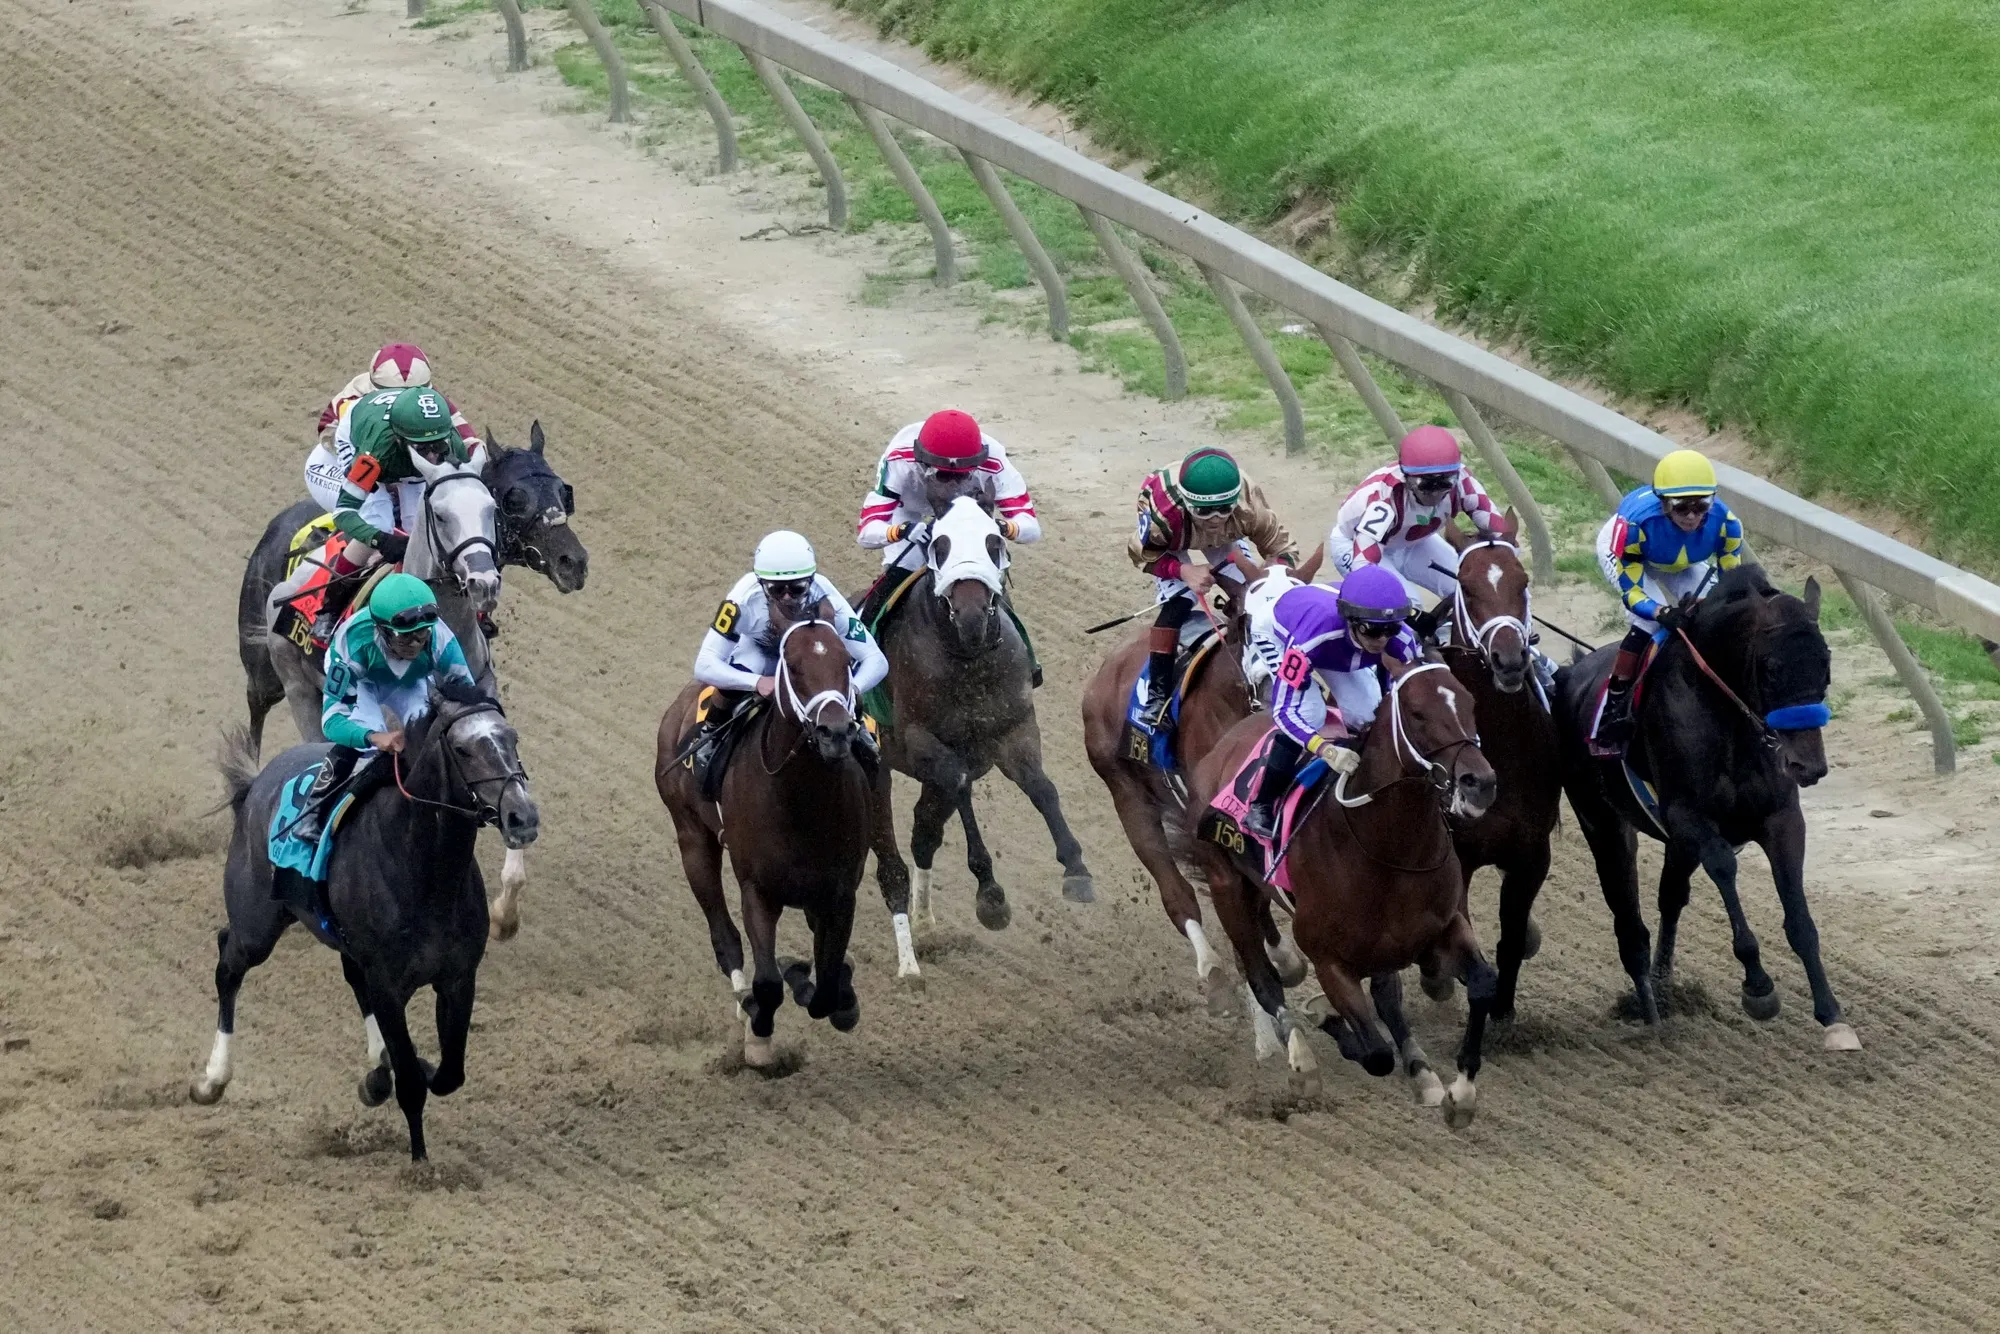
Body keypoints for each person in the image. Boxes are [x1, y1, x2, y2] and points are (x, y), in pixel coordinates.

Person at [290, 572, 479, 848]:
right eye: (406, 638)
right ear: (381, 629)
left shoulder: (439, 637)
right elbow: (332, 723)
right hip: (364, 683)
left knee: (429, 733)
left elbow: (467, 696)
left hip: (411, 682)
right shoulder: (352, 643)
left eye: (422, 635)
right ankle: (314, 809)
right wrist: (376, 738)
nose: (416, 644)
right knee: (368, 741)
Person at [1243, 565, 1422, 841]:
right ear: (1351, 620)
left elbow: (1409, 683)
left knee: (1369, 714)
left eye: (1392, 629)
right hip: (1279, 633)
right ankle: (1262, 803)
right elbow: (1284, 712)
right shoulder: (1309, 642)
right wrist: (1326, 750)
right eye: (1373, 631)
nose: (1383, 640)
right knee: (1308, 712)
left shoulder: (1402, 639)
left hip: (1341, 646)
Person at [689, 530, 889, 765]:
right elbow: (704, 665)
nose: (786, 597)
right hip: (759, 654)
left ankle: (857, 722)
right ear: (761, 583)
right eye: (776, 589)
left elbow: (876, 660)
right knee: (733, 682)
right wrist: (756, 682)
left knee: (836, 674)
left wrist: (851, 690)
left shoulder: (828, 599)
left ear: (811, 581)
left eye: (797, 588)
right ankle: (713, 731)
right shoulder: (740, 602)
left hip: (808, 656)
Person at [1590, 448, 1744, 751]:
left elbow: (1732, 586)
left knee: (1715, 613)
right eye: (1682, 507)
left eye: (1701, 506)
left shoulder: (1728, 524)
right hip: (1627, 553)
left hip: (1677, 560)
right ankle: (1615, 705)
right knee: (1648, 624)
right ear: (1663, 505)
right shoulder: (1636, 526)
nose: (1692, 516)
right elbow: (1632, 592)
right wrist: (1661, 612)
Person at [1130, 446, 1294, 729]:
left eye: (1223, 508)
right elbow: (1140, 554)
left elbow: (1283, 550)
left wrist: (1271, 580)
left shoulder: (1249, 505)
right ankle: (1156, 697)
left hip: (1226, 538)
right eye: (1204, 511)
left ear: (1235, 500)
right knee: (1177, 605)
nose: (1216, 519)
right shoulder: (1162, 518)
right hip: (1171, 542)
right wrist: (1183, 570)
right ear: (1186, 501)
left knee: (1252, 596)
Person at [305, 385, 483, 640]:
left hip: (400, 448)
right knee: (379, 519)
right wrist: (382, 540)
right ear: (399, 439)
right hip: (356, 432)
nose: (433, 457)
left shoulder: (450, 443)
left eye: (437, 446)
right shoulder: (376, 452)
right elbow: (344, 512)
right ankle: (329, 611)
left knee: (420, 525)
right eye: (423, 449)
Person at [855, 409, 1040, 624]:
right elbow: (866, 533)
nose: (954, 485)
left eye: (962, 476)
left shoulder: (995, 462)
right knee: (905, 567)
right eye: (943, 475)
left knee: (989, 577)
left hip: (966, 514)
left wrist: (1002, 527)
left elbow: (1031, 528)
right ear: (921, 462)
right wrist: (901, 531)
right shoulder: (899, 459)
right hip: (909, 511)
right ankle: (867, 637)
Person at [1330, 425, 1505, 606]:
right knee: (1405, 604)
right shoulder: (1384, 498)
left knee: (1469, 588)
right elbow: (1364, 567)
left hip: (1413, 543)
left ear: (1456, 473)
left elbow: (1504, 537)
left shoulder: (1463, 482)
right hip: (1354, 545)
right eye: (1425, 483)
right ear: (1406, 478)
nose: (1436, 492)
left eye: (1445, 482)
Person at [306, 342, 482, 498]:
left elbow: (466, 438)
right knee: (373, 503)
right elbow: (328, 432)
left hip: (396, 466)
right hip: (336, 463)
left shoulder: (429, 399)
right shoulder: (354, 398)